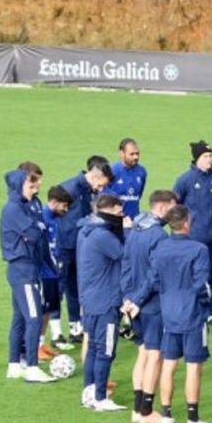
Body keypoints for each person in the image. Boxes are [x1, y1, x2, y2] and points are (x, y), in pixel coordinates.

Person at [127, 205, 212, 423]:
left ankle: (166, 416)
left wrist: (136, 301)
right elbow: (201, 285)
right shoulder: (198, 249)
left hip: (169, 315)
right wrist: (206, 303)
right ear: (186, 223)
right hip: (193, 315)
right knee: (194, 367)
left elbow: (152, 281)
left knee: (169, 365)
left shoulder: (161, 248)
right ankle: (193, 420)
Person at [120, 189, 178, 423]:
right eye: (173, 207)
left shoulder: (135, 229)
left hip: (133, 301)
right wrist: (139, 299)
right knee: (155, 355)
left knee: (143, 352)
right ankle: (146, 411)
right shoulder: (159, 236)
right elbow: (155, 275)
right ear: (163, 207)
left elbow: (125, 265)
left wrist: (128, 297)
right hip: (151, 304)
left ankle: (137, 410)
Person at [0, 162, 56, 383]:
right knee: (34, 317)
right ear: (19, 185)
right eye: (30, 185)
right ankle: (32, 367)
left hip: (29, 267)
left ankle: (15, 364)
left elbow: (38, 233)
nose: (35, 189)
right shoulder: (13, 209)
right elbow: (34, 233)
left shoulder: (31, 204)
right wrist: (37, 230)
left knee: (20, 317)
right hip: (23, 269)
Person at [77, 194, 127, 410]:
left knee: (94, 348)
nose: (122, 216)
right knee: (105, 350)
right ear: (108, 211)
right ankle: (100, 398)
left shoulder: (86, 231)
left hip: (90, 298)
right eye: (119, 212)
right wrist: (128, 231)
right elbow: (125, 255)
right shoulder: (103, 236)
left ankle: (89, 393)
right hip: (106, 301)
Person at [58, 156, 114, 343]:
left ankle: (76, 328)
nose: (101, 189)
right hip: (64, 247)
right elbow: (55, 216)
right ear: (95, 176)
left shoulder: (89, 190)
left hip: (80, 247)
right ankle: (53, 334)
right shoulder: (70, 188)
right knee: (58, 290)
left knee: (76, 287)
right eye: (101, 184)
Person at [173, 140, 212, 327]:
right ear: (197, 158)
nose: (209, 159)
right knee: (193, 275)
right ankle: (192, 310)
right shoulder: (185, 179)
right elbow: (175, 204)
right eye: (205, 156)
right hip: (193, 237)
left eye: (211, 156)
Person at [40, 185, 72, 356]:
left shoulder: (54, 218)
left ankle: (41, 344)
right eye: (64, 206)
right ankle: (34, 347)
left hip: (53, 270)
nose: (65, 210)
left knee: (48, 308)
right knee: (41, 308)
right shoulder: (42, 218)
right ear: (53, 201)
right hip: (44, 272)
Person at [106, 138, 147, 222]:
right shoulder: (112, 171)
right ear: (121, 153)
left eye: (137, 153)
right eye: (132, 154)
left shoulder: (142, 171)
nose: (136, 157)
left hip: (133, 222)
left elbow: (138, 195)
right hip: (115, 221)